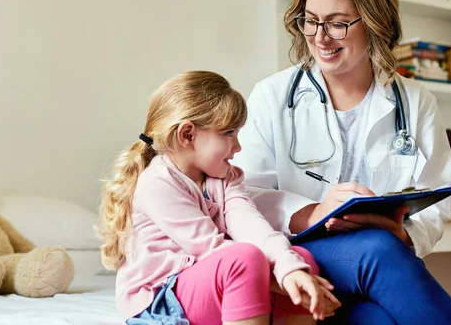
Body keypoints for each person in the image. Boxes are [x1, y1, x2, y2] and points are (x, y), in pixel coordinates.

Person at [232, 0, 451, 324]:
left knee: (378, 318)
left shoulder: (415, 100)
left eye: (337, 23)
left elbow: (437, 196)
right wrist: (315, 211)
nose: (320, 37)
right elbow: (241, 200)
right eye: (310, 21)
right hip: (299, 258)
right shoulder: (272, 96)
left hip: (380, 263)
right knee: (378, 249)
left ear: (375, 21)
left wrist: (405, 235)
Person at [98, 71, 341, 325]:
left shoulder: (225, 177)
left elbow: (250, 225)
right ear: (188, 135)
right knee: (244, 259)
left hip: (207, 283)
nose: (238, 147)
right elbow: (209, 248)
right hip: (160, 299)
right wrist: (281, 277)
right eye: (229, 134)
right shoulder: (158, 183)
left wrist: (289, 266)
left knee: (299, 258)